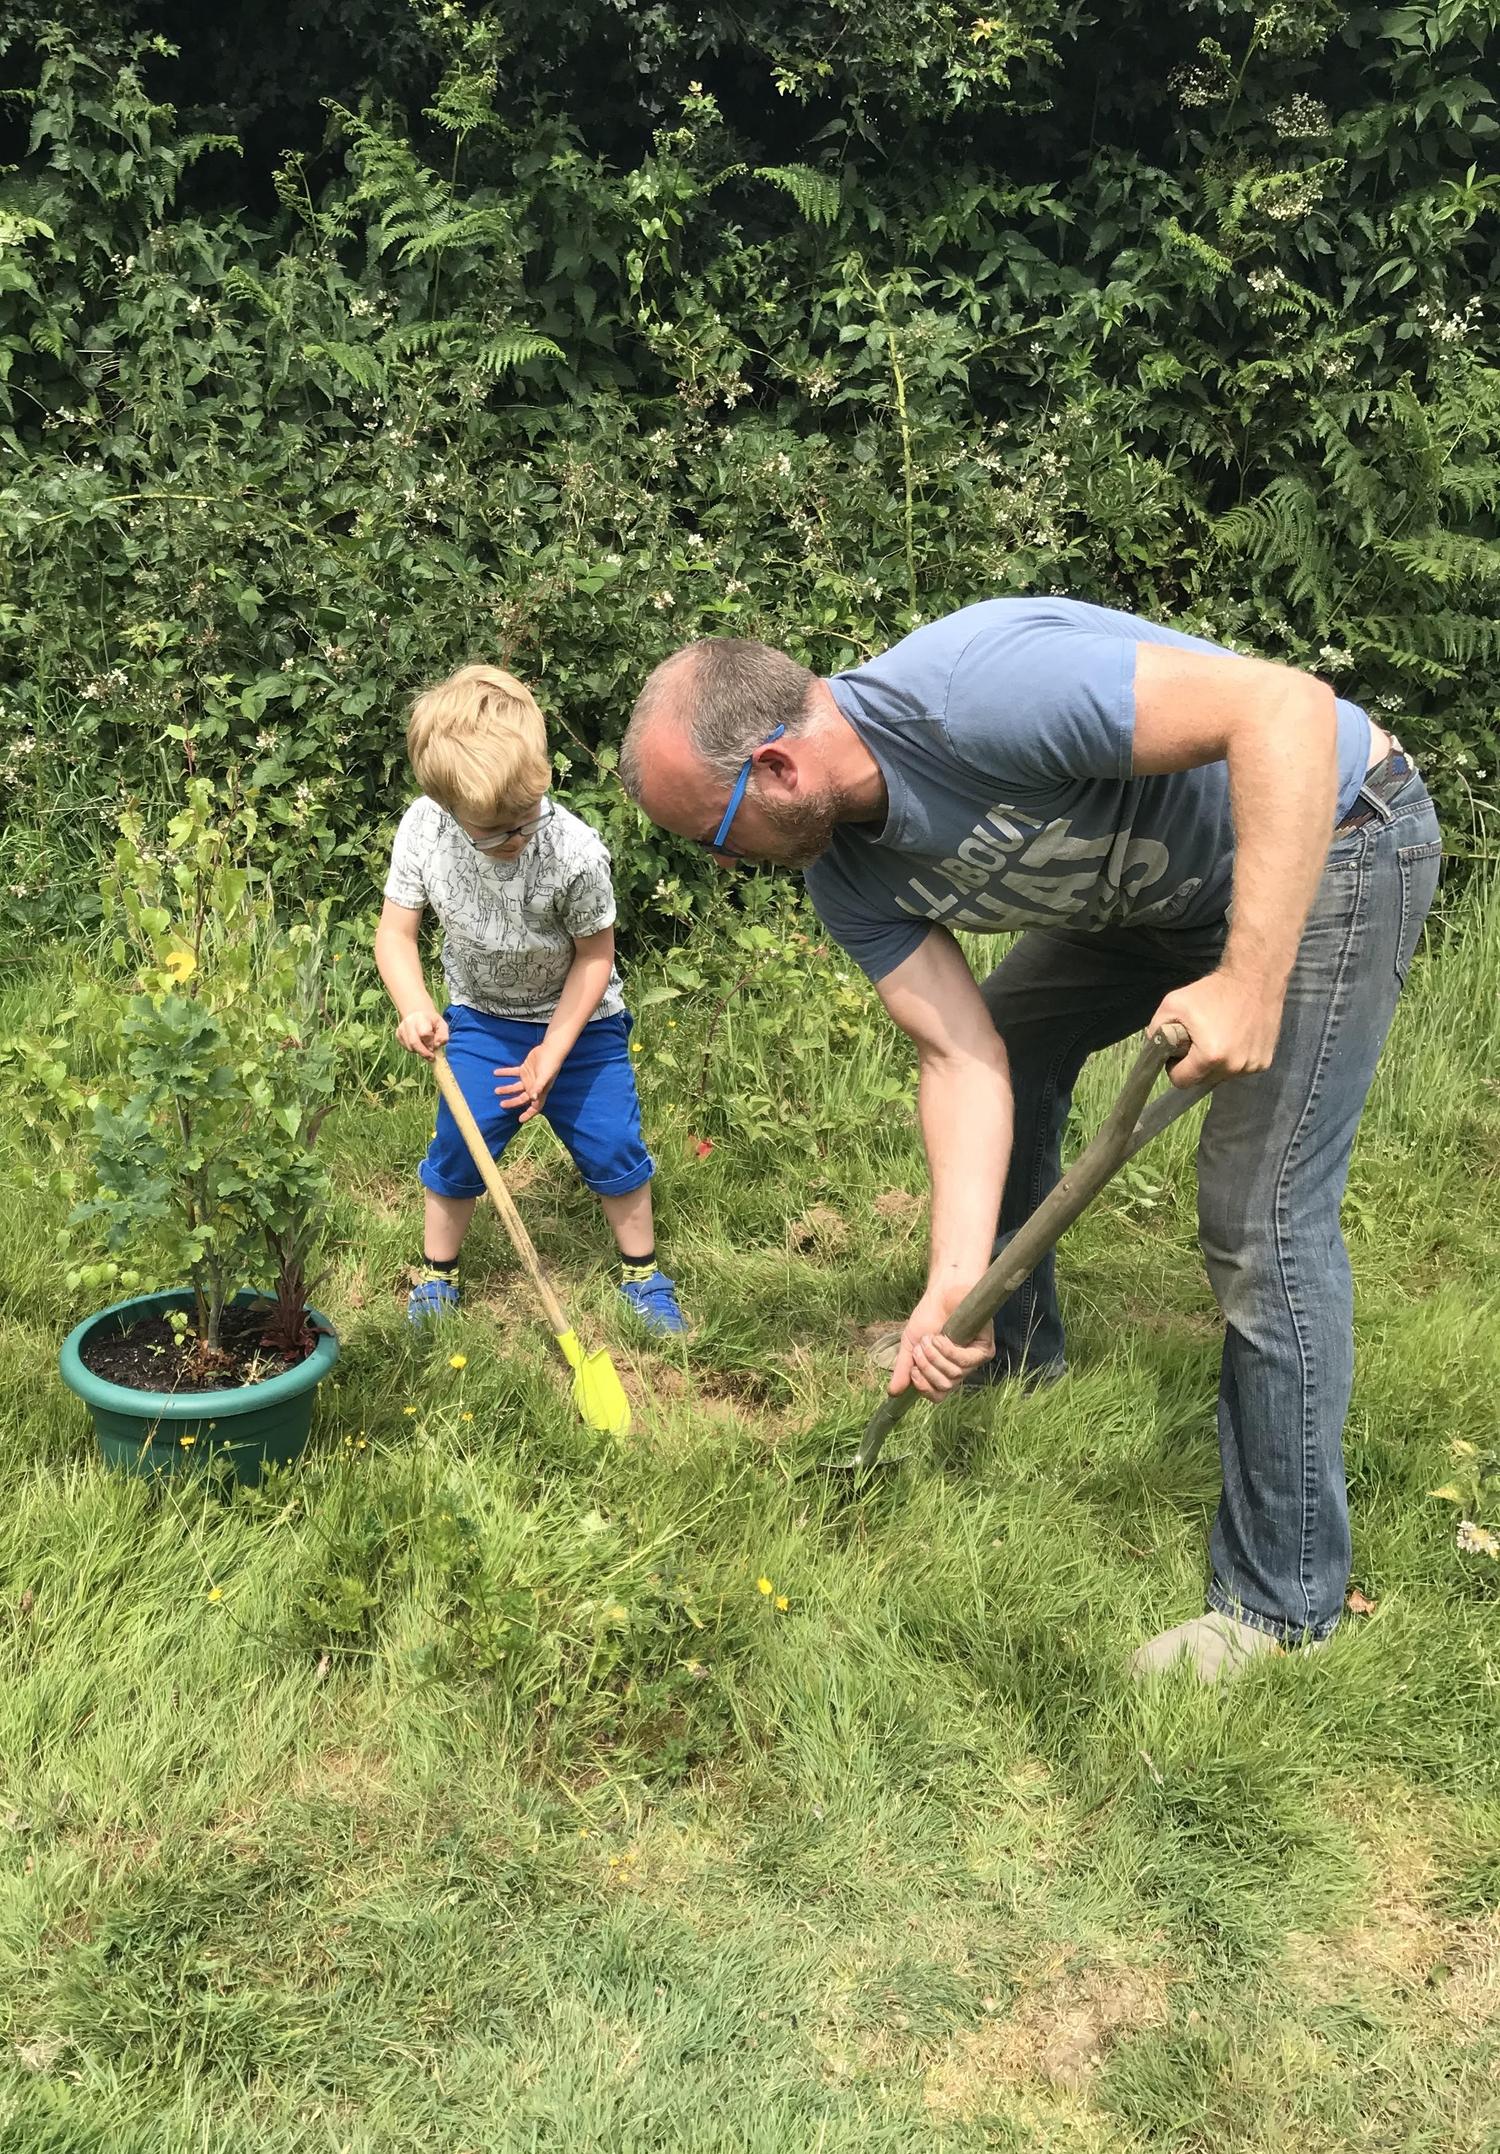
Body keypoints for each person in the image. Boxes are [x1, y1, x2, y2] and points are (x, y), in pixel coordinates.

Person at [619, 600, 1441, 1680]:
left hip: (1334, 833)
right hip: (1157, 904)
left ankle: (1283, 1603)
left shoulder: (976, 696)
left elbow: (1282, 706)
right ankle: (1012, 1345)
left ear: (775, 769)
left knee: (1260, 1212)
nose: (724, 867)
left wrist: (1249, 979)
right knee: (1017, 1033)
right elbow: (963, 1058)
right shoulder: (844, 872)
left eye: (715, 836)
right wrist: (951, 1289)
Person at [375, 662, 686, 1336]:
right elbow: (396, 935)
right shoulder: (425, 830)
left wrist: (555, 1048)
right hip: (483, 1020)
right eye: (496, 831)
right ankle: (438, 1273)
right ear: (451, 811)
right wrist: (415, 1007)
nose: (518, 837)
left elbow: (595, 958)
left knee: (612, 1143)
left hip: (582, 1021)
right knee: (460, 1144)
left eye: (526, 816)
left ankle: (643, 1274)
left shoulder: (573, 852)